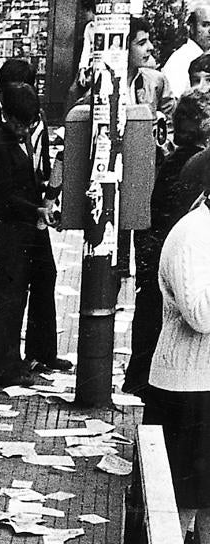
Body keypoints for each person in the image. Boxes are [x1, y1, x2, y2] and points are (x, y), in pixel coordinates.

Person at [144, 163, 210, 544]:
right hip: (184, 387)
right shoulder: (193, 236)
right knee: (179, 503)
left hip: (203, 384)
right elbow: (200, 315)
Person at [0, 82, 67, 388]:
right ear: (6, 116)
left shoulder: (26, 137)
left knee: (46, 275)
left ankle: (41, 350)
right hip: (10, 223)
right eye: (17, 124)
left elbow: (30, 179)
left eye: (26, 124)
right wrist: (36, 210)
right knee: (12, 292)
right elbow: (4, 195)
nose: (22, 130)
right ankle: (1, 366)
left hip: (29, 218)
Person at [124, 91, 210, 396]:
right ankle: (141, 378)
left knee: (151, 314)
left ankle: (139, 376)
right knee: (156, 318)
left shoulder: (182, 158)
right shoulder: (194, 162)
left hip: (159, 250)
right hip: (169, 254)